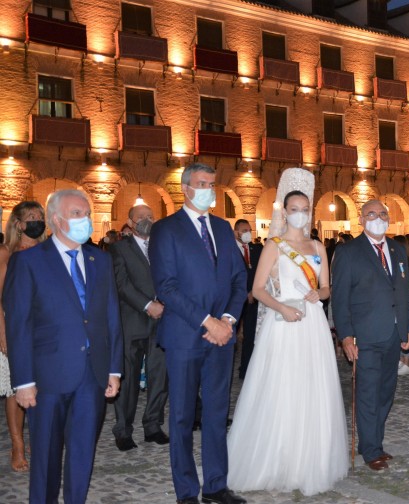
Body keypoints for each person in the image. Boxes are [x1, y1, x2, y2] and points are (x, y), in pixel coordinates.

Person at [227, 169, 348, 494]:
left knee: (313, 387)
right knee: (283, 387)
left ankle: (311, 458)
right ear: (285, 213)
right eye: (293, 209)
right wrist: (282, 307)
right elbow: (257, 289)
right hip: (283, 324)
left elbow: (326, 289)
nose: (299, 214)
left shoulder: (319, 248)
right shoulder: (274, 247)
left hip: (313, 325)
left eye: (304, 209)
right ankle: (278, 458)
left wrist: (317, 295)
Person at [4, 190, 122, 503]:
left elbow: (111, 317)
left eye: (87, 213)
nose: (86, 220)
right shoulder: (28, 261)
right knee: (45, 456)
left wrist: (114, 369)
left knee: (83, 452)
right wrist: (24, 381)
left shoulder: (101, 260)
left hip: (91, 375)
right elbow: (19, 325)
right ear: (56, 220)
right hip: (47, 377)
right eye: (77, 213)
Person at [149, 163, 248, 504]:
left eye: (212, 183)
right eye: (202, 183)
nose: (209, 189)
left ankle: (216, 485)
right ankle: (187, 490)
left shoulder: (222, 228)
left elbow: (239, 279)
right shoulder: (166, 229)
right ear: (186, 188)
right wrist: (209, 322)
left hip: (221, 337)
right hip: (185, 336)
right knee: (181, 416)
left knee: (218, 412)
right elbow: (167, 287)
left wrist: (228, 319)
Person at [332, 199, 409, 470]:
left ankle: (375, 440)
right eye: (371, 214)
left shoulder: (397, 249)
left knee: (386, 391)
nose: (377, 218)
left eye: (381, 214)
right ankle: (370, 449)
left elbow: (403, 293)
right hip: (364, 336)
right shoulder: (348, 252)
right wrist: (345, 335)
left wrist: (408, 328)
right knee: (368, 392)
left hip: (393, 333)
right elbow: (340, 298)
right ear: (361, 219)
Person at [110, 204, 169, 451]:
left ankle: (152, 425)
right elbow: (121, 284)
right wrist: (147, 305)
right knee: (129, 379)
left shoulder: (163, 247)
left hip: (163, 321)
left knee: (160, 378)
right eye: (141, 217)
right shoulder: (118, 249)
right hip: (132, 320)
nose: (146, 220)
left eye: (150, 216)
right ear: (130, 221)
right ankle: (123, 430)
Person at [0, 201, 47, 472]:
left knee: (41, 387)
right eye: (31, 217)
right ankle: (17, 444)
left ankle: (36, 439)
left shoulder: (46, 251)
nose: (37, 221)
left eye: (40, 216)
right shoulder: (6, 252)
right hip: (13, 328)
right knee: (16, 389)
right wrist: (3, 333)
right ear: (18, 223)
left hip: (43, 329)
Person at [233, 219, 263, 380]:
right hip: (235, 300)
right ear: (236, 231)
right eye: (244, 230)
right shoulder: (229, 250)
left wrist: (253, 292)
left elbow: (262, 272)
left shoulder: (256, 249)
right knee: (231, 335)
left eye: (249, 230)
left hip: (254, 299)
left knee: (250, 336)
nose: (247, 233)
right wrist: (242, 294)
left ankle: (246, 370)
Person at [393, 235, 409, 375]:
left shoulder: (405, 260)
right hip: (401, 298)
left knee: (406, 328)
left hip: (406, 299)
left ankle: (407, 361)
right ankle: (402, 360)